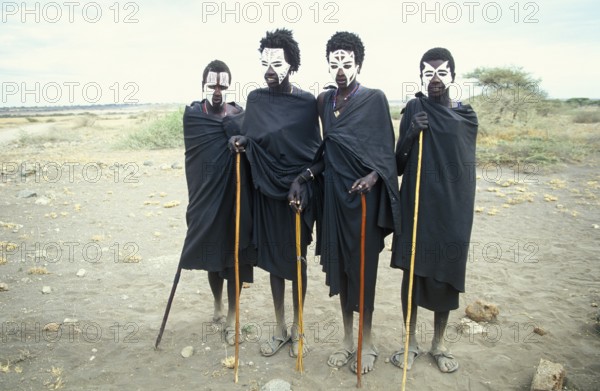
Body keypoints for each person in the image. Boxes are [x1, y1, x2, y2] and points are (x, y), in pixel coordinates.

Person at [289, 31, 400, 375]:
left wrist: (373, 177)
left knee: (364, 272)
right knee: (342, 270)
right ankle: (347, 341)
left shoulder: (374, 99)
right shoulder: (324, 102)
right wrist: (305, 177)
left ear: (358, 64)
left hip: (364, 200)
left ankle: (368, 344)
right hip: (334, 198)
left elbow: (386, 154)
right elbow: (327, 151)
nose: (340, 69)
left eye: (347, 63)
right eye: (334, 63)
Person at [229, 28, 321, 358]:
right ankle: (280, 328)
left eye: (277, 63)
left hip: (298, 193)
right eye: (265, 62)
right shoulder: (255, 99)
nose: (270, 69)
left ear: (291, 65)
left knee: (296, 261)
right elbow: (250, 137)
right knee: (273, 262)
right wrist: (240, 142)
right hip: (267, 192)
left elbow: (317, 150)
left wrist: (303, 179)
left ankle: (299, 329)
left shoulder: (306, 102)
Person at [390, 47, 478, 373]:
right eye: (428, 73)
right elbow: (397, 164)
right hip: (418, 204)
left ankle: (438, 344)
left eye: (441, 73)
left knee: (447, 275)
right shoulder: (413, 107)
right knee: (412, 273)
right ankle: (410, 341)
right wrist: (412, 132)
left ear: (453, 76)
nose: (435, 79)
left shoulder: (466, 115)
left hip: (453, 208)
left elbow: (464, 168)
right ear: (421, 76)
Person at [178, 60, 255, 346]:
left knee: (236, 256)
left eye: (223, 85)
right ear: (203, 87)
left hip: (235, 196)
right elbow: (196, 159)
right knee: (212, 257)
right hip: (205, 197)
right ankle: (217, 304)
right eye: (212, 85)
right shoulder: (194, 116)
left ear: (231, 87)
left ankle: (234, 315)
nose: (218, 91)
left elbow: (251, 145)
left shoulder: (240, 115)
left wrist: (240, 140)